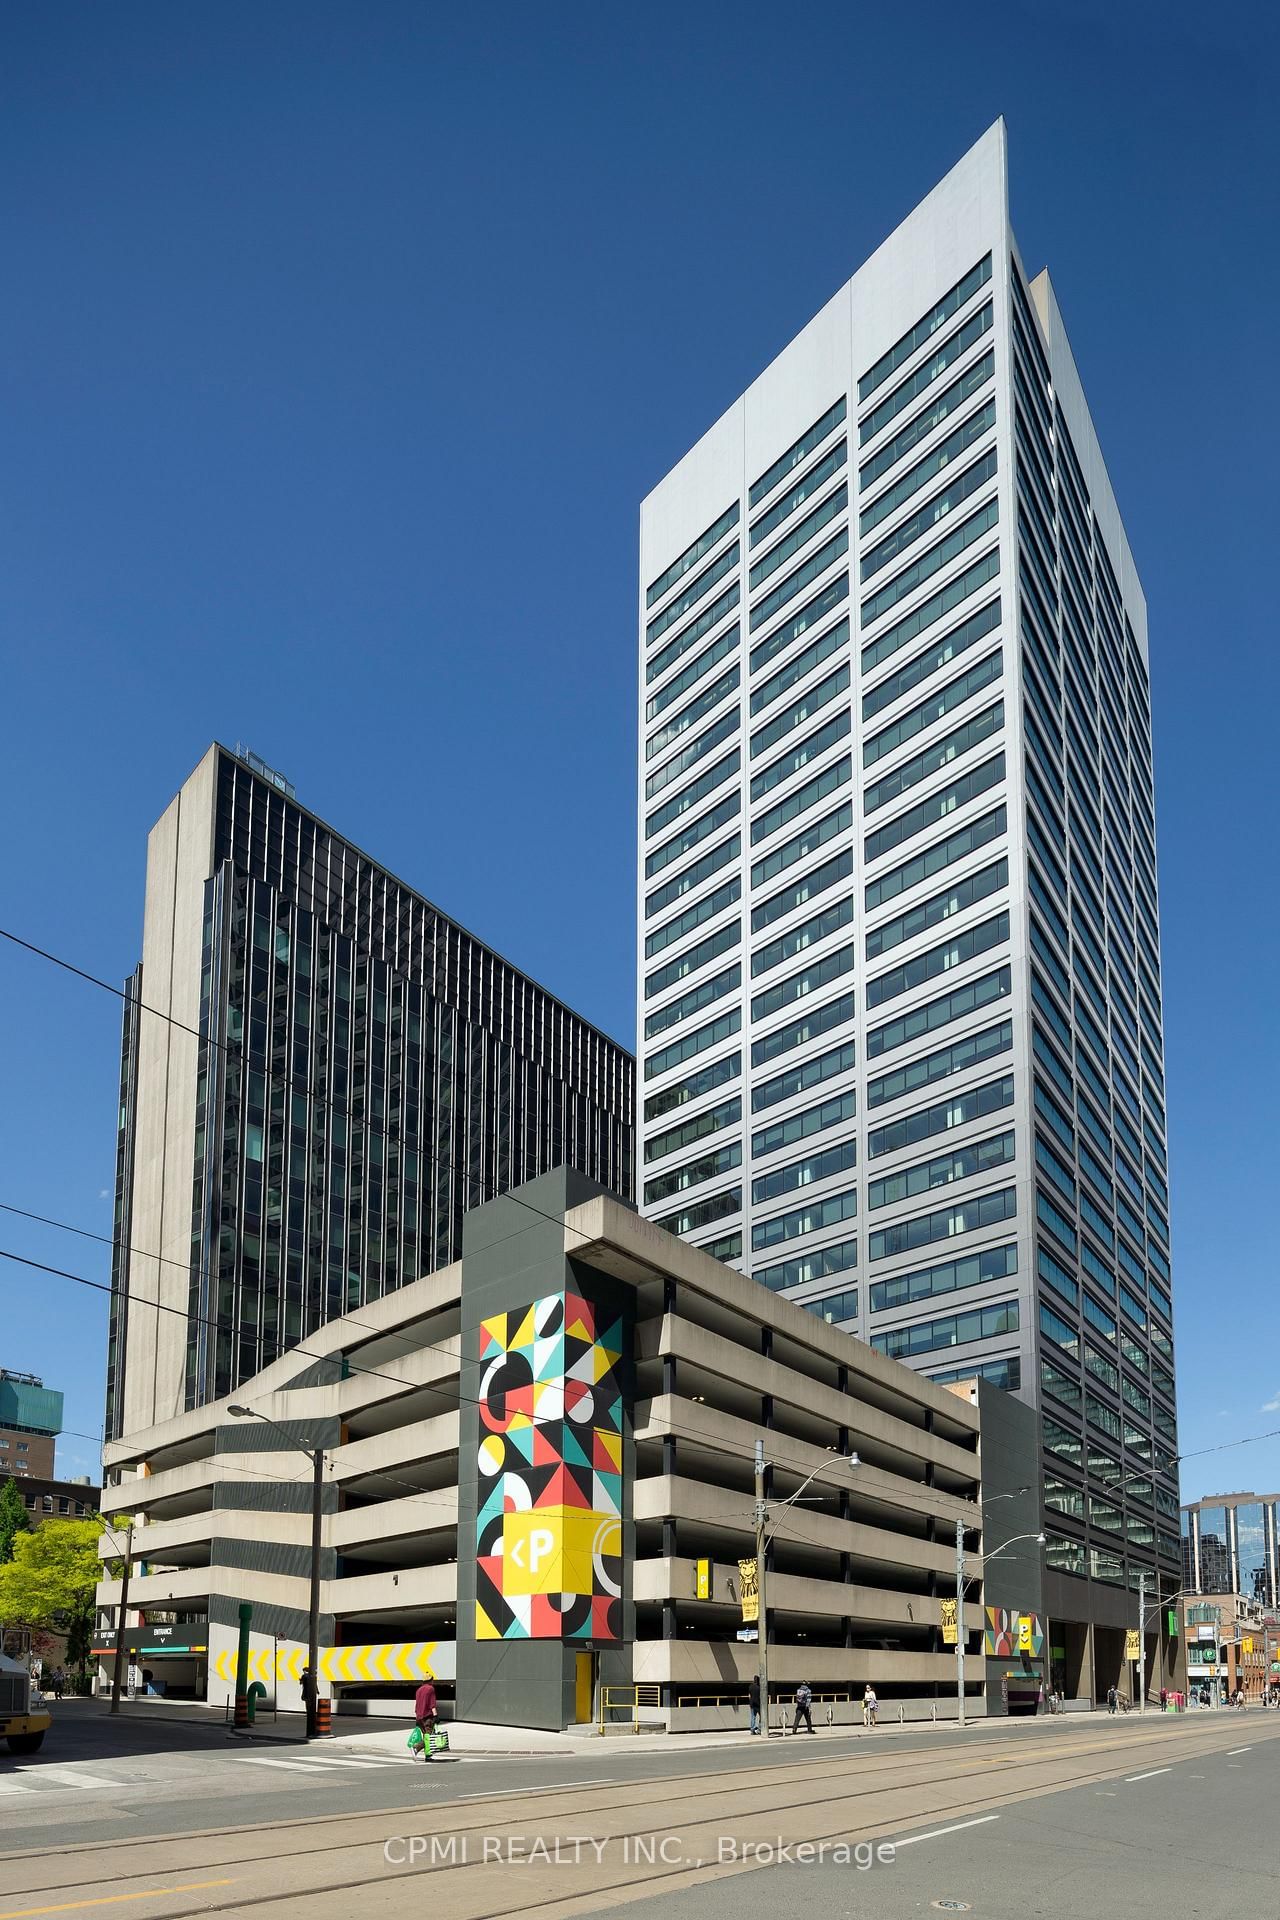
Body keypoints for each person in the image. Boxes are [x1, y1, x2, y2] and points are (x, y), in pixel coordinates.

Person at [414, 1677, 439, 1757]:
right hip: (427, 1717)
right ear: (431, 1680)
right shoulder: (430, 1688)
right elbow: (432, 1704)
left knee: (426, 1735)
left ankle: (428, 1755)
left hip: (419, 1717)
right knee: (429, 1736)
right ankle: (416, 1748)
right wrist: (435, 1715)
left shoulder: (419, 1690)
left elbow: (417, 1704)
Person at [299, 1663, 319, 1737]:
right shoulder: (313, 1676)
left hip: (306, 1691)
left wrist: (300, 1680)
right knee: (312, 1702)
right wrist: (317, 1690)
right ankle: (312, 1712)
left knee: (307, 1702)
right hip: (312, 1691)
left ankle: (308, 1712)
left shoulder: (304, 1676)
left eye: (304, 1671)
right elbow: (315, 1684)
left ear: (305, 1671)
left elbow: (301, 1683)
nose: (303, 1672)